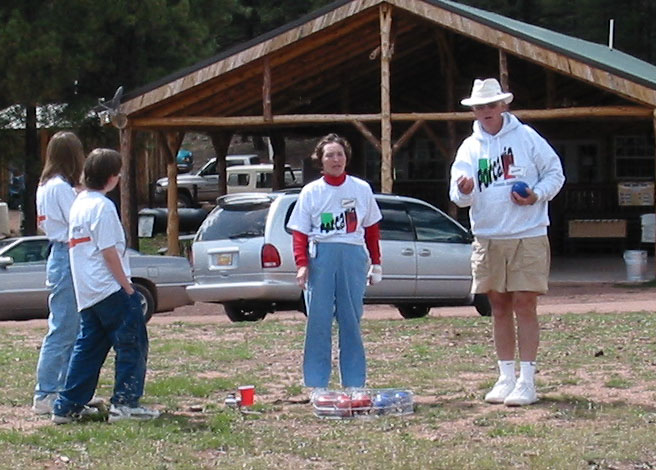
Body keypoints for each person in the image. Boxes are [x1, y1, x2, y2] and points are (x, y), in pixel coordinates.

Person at [449, 78, 565, 406]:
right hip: (488, 236)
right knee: (498, 307)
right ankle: (505, 377)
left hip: (528, 233)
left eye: (491, 105)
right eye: (479, 107)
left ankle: (527, 381)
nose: (485, 111)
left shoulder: (527, 137)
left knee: (525, 304)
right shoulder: (469, 148)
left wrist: (536, 195)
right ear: (473, 111)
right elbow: (457, 195)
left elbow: (555, 173)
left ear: (503, 105)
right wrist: (465, 190)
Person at [52, 148, 159, 424]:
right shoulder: (102, 206)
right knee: (132, 343)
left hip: (87, 292)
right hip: (109, 288)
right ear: (111, 177)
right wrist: (128, 288)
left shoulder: (80, 203)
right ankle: (125, 404)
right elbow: (108, 251)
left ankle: (67, 406)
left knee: (89, 348)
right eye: (118, 173)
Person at [287, 133, 383, 400]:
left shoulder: (361, 189)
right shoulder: (311, 191)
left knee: (351, 319)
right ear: (321, 160)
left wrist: (376, 262)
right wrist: (302, 264)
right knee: (319, 320)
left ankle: (354, 383)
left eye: (339, 154)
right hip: (322, 256)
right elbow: (300, 232)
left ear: (346, 158)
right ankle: (318, 384)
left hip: (352, 254)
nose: (335, 159)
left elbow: (372, 229)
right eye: (330, 155)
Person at [32, 131, 87, 415]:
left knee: (70, 327)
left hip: (58, 250)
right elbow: (78, 219)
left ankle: (63, 391)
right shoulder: (61, 188)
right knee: (64, 328)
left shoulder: (45, 186)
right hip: (67, 251)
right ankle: (47, 393)